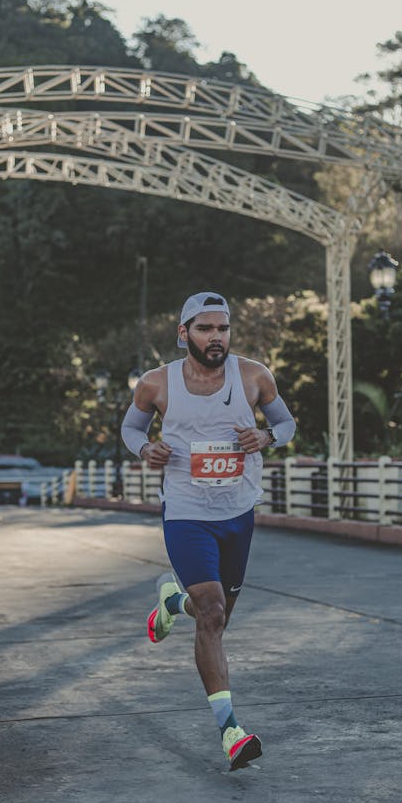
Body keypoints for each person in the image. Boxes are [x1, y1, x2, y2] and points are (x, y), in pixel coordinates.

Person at [121, 292, 296, 770]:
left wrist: (265, 437)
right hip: (186, 511)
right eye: (205, 329)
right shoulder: (156, 384)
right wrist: (145, 450)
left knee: (215, 614)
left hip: (238, 511)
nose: (216, 337)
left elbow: (286, 423)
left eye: (222, 328)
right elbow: (131, 429)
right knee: (213, 613)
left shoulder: (255, 376)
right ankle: (231, 731)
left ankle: (172, 601)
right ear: (184, 334)